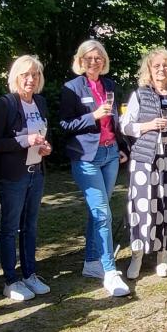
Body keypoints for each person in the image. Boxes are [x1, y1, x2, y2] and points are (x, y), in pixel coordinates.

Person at [59, 40, 130, 297]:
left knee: (97, 212)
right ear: (80, 60)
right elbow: (64, 125)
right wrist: (93, 116)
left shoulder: (109, 85)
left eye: (98, 57)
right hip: (86, 157)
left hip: (110, 154)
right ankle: (110, 271)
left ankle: (91, 263)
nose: (94, 61)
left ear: (104, 60)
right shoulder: (71, 88)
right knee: (103, 214)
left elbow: (115, 121)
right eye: (88, 58)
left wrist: (122, 147)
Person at [121, 48, 167, 279]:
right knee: (143, 208)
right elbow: (125, 126)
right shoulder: (140, 94)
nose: (161, 69)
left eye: (166, 65)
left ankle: (162, 256)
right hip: (145, 160)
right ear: (149, 70)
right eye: (156, 66)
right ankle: (137, 257)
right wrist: (148, 125)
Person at [0, 55, 54, 302]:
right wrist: (24, 141)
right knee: (9, 228)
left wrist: (47, 147)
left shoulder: (40, 102)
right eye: (25, 75)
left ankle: (30, 274)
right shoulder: (6, 104)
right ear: (15, 77)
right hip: (12, 177)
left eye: (35, 75)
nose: (30, 79)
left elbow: (45, 134)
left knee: (30, 226)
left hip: (36, 173)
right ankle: (10, 279)